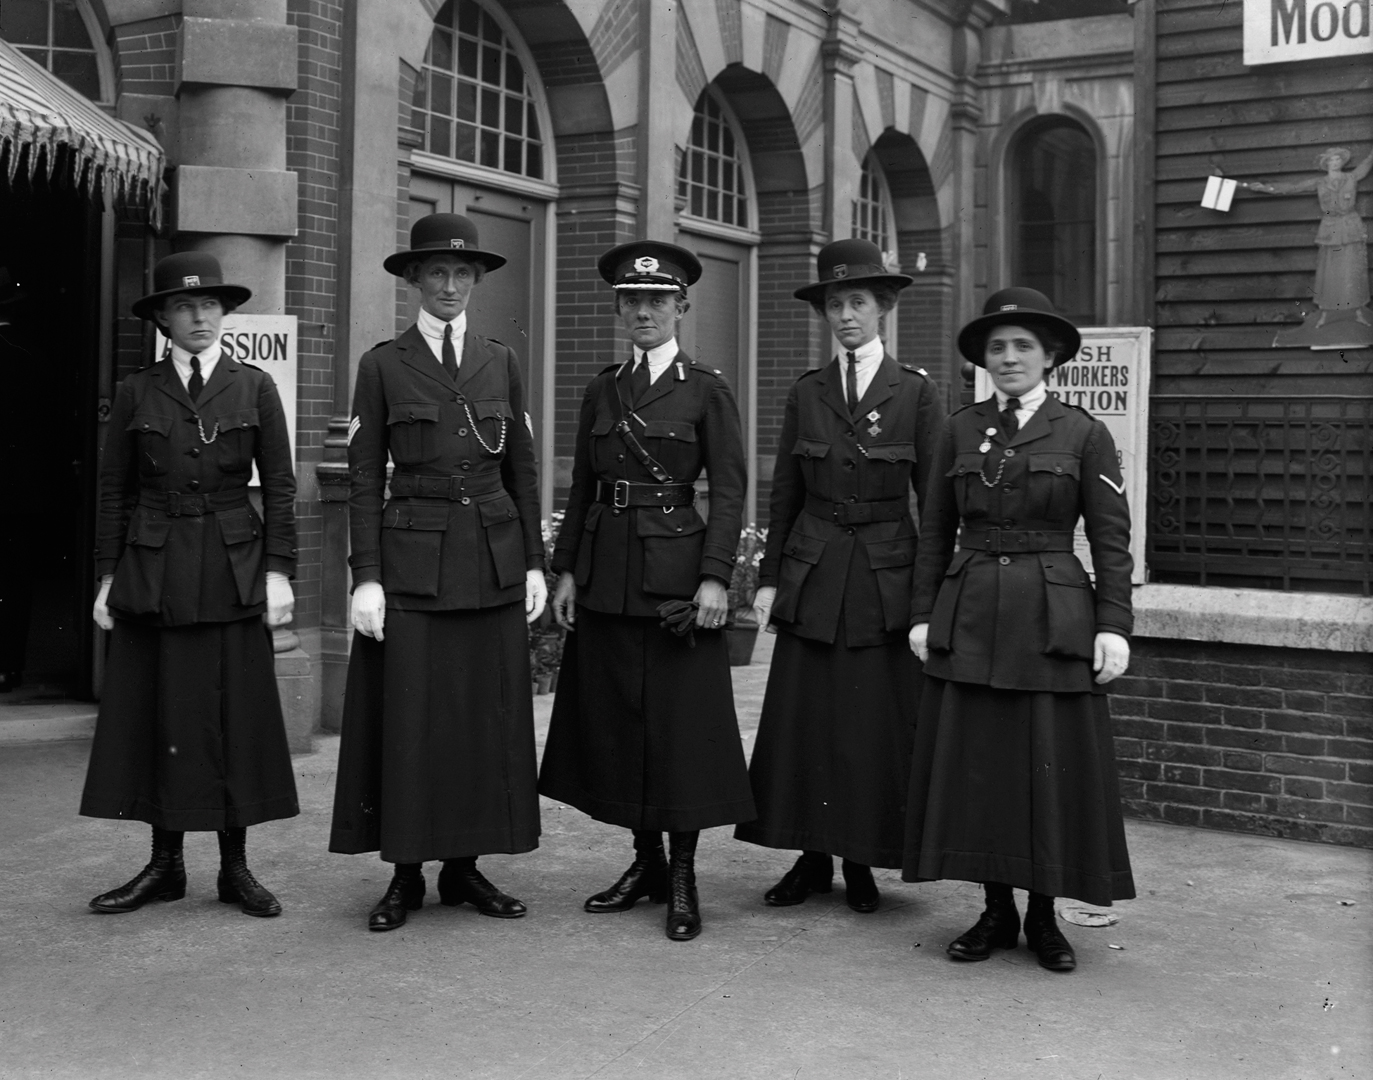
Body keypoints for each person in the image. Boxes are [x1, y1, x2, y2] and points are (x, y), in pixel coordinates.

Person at [903, 287, 1135, 972]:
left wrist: (1113, 625)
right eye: (997, 348)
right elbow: (934, 533)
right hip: (969, 614)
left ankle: (1042, 918)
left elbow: (1111, 540)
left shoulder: (1081, 433)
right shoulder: (958, 428)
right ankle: (994, 911)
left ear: (1050, 356)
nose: (1008, 358)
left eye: (1021, 347)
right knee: (982, 768)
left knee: (1045, 768)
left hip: (1051, 620)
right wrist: (922, 613)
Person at [329, 213, 547, 932]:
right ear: (413, 281)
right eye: (436, 274)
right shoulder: (382, 364)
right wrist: (365, 575)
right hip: (413, 561)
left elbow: (521, 467)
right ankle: (405, 874)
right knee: (412, 719)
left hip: (489, 559)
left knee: (480, 720)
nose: (449, 285)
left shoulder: (500, 360)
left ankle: (466, 869)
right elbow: (363, 478)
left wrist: (535, 564)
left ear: (476, 282)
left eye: (461, 274)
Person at [539, 240, 754, 942]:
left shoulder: (706, 389)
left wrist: (716, 575)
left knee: (679, 733)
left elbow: (728, 490)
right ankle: (643, 865)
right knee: (620, 725)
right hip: (606, 577)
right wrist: (566, 568)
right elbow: (581, 488)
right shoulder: (603, 389)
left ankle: (683, 874)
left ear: (681, 308)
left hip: (675, 584)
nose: (643, 311)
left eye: (656, 301)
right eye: (631, 301)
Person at [81, 251, 298, 917]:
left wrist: (279, 571)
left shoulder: (253, 385)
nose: (199, 316)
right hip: (156, 572)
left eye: (209, 305)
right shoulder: (136, 391)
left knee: (233, 714)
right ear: (163, 320)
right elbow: (114, 490)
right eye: (184, 306)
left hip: (233, 570)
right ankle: (165, 864)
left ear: (225, 314)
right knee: (162, 712)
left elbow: (282, 489)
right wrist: (107, 576)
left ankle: (235, 868)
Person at [736, 239, 945, 912]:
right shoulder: (807, 391)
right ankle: (809, 854)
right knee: (808, 721)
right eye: (834, 303)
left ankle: (861, 859)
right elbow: (785, 494)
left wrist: (926, 600)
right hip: (815, 571)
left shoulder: (915, 393)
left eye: (857, 302)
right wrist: (769, 580)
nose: (845, 315)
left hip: (885, 577)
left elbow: (937, 505)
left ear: (883, 308)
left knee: (870, 725)